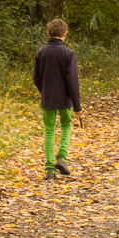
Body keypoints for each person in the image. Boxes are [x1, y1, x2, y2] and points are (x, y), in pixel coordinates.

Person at [33, 18, 81, 181]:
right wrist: (77, 105)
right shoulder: (68, 53)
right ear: (65, 34)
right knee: (66, 125)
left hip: (48, 98)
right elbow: (72, 81)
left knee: (49, 130)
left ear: (48, 33)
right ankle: (62, 157)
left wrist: (44, 90)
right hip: (64, 99)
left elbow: (36, 77)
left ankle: (49, 169)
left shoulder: (41, 52)